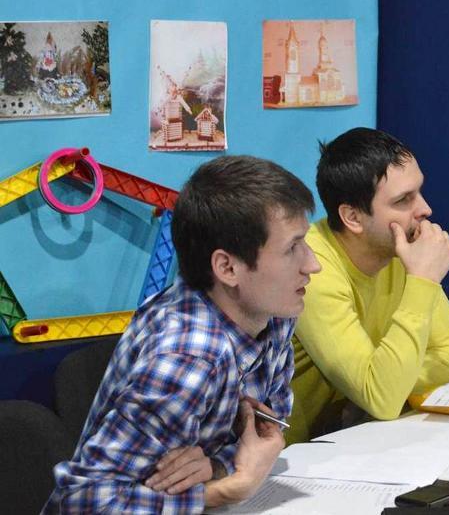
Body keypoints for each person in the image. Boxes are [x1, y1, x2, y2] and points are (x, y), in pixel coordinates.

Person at [43, 155, 321, 513]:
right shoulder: (188, 357)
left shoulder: (271, 311)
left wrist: (216, 465)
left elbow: (267, 429)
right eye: (292, 248)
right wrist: (227, 489)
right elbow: (84, 503)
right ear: (227, 268)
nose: (312, 264)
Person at [287, 127, 449, 444]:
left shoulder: (400, 249)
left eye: (419, 192)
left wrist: (387, 376)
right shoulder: (312, 267)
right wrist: (423, 281)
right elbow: (383, 397)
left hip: (357, 441)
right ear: (353, 218)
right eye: (403, 200)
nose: (425, 209)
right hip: (290, 457)